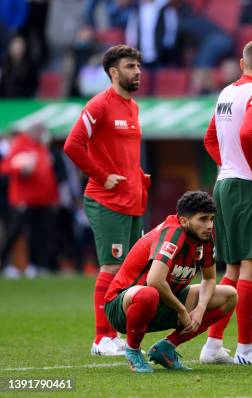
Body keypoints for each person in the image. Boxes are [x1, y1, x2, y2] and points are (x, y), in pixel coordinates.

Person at [200, 38, 252, 365]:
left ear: (241, 63)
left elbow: (210, 138)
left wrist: (230, 165)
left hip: (225, 183)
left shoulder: (226, 92)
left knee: (233, 267)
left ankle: (212, 346)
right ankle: (246, 350)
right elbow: (250, 134)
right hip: (247, 187)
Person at [64, 45, 151, 356]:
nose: (137, 71)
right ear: (114, 72)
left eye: (138, 66)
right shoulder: (99, 105)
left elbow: (122, 154)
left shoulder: (133, 107)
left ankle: (116, 334)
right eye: (130, 66)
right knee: (112, 267)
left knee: (130, 270)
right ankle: (102, 339)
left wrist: (138, 175)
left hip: (133, 199)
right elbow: (73, 145)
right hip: (106, 200)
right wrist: (102, 176)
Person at [104, 191, 237, 372]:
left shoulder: (204, 238)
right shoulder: (173, 234)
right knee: (148, 294)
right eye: (203, 219)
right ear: (183, 221)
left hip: (164, 300)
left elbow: (210, 278)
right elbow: (154, 281)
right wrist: (182, 310)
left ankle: (166, 348)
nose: (209, 225)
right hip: (122, 306)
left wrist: (200, 308)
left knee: (229, 295)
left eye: (211, 219)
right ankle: (133, 351)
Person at [0, 123, 58, 277]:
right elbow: (5, 167)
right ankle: (6, 265)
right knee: (15, 232)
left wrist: (53, 198)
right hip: (22, 200)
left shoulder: (41, 147)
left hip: (41, 201)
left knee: (38, 234)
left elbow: (48, 176)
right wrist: (21, 169)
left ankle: (36, 265)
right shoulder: (21, 144)